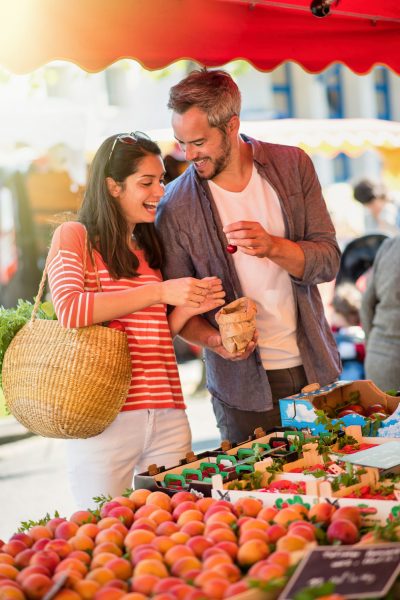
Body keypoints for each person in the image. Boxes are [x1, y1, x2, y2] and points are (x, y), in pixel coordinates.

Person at [155, 69, 342, 443]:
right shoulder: (174, 205)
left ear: (231, 125)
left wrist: (274, 247)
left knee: (333, 484)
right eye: (181, 143)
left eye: (198, 142)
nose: (189, 155)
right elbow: (175, 309)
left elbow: (328, 261)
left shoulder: (293, 167)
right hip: (240, 390)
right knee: (256, 495)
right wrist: (212, 341)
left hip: (315, 369)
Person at [46, 131, 225, 507]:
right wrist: (160, 292)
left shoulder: (147, 247)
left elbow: (156, 333)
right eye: (146, 182)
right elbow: (70, 310)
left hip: (168, 412)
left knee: (180, 526)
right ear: (112, 186)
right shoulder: (73, 236)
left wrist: (190, 305)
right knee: (101, 531)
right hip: (103, 420)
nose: (159, 192)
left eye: (160, 180)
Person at [360, 235, 400, 392]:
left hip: (381, 358)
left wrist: (373, 348)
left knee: (383, 415)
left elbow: (366, 305)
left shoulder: (390, 246)